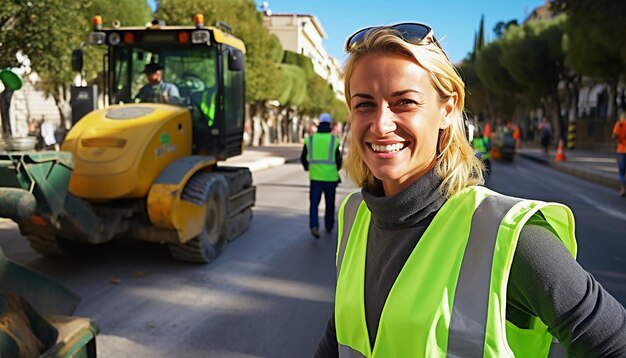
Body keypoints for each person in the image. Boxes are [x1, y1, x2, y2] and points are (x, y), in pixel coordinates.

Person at [314, 23, 626, 357]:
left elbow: (612, 343)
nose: (380, 124)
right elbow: (339, 334)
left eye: (404, 102)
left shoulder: (509, 235)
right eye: (364, 104)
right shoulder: (353, 214)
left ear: (447, 110)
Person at [300, 113, 342, 239]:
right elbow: (339, 160)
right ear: (329, 124)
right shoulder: (335, 140)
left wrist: (309, 168)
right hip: (330, 178)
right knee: (330, 204)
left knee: (314, 204)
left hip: (315, 178)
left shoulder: (310, 139)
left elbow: (303, 158)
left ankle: (314, 226)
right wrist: (336, 169)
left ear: (319, 123)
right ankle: (329, 225)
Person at [611, 111, 626, 197]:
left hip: (622, 150)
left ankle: (623, 189)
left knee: (621, 172)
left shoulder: (620, 124)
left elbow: (614, 136)